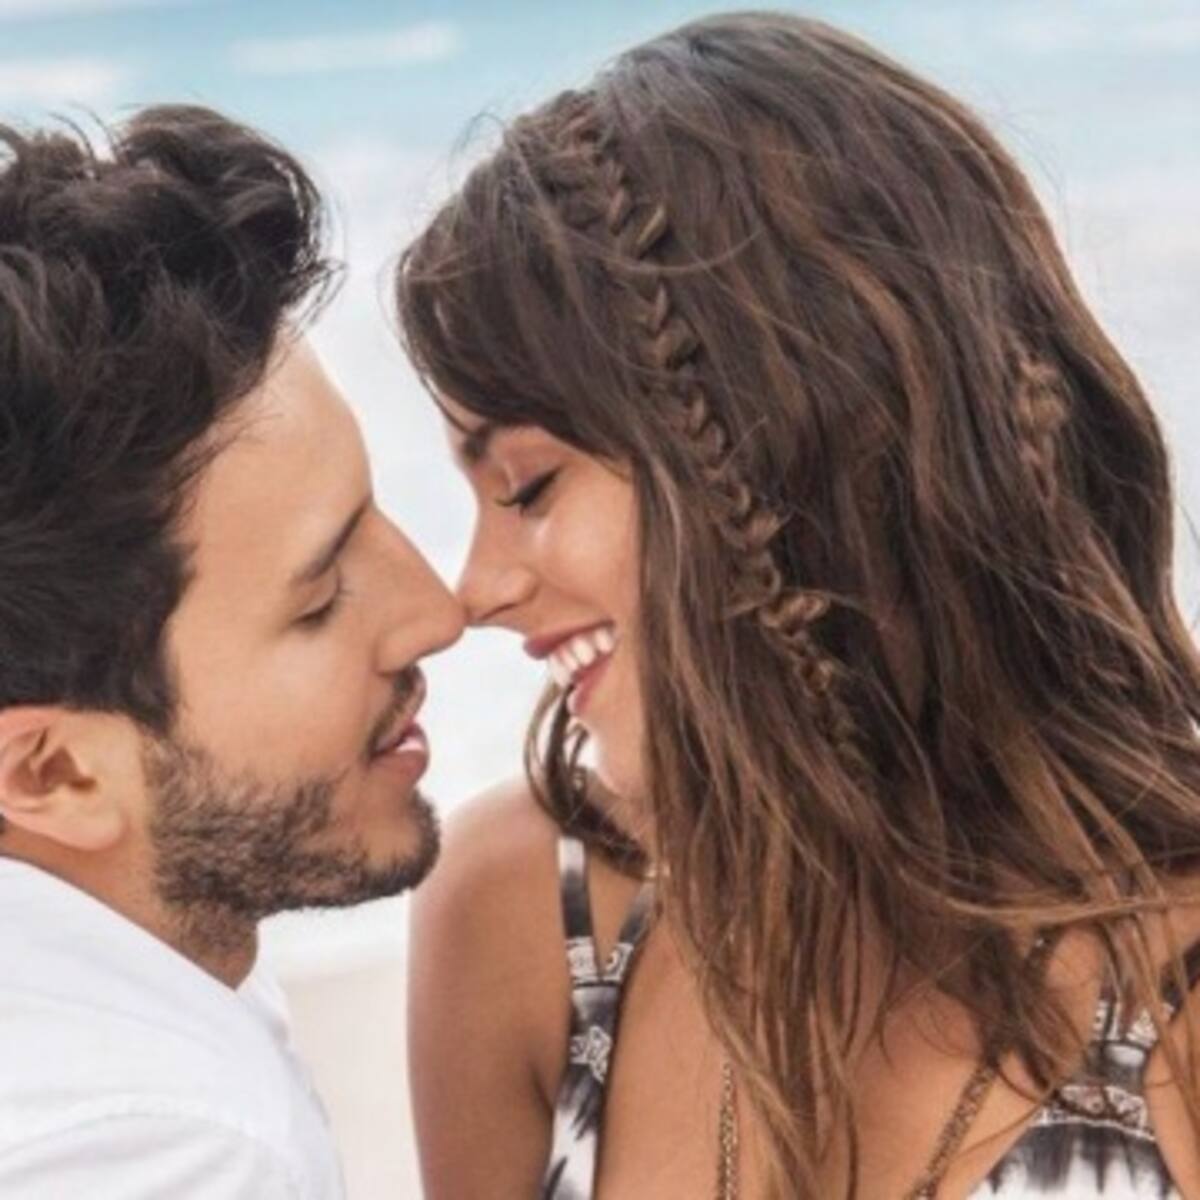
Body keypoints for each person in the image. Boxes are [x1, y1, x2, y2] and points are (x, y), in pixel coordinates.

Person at [396, 11, 1200, 1200]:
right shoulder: (527, 916)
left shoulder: (1172, 972)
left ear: (772, 448)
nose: (476, 590)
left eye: (528, 486)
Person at [0, 106, 463, 1198]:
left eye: (375, 515)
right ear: (52, 773)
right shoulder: (163, 1151)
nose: (438, 612)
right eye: (319, 600)